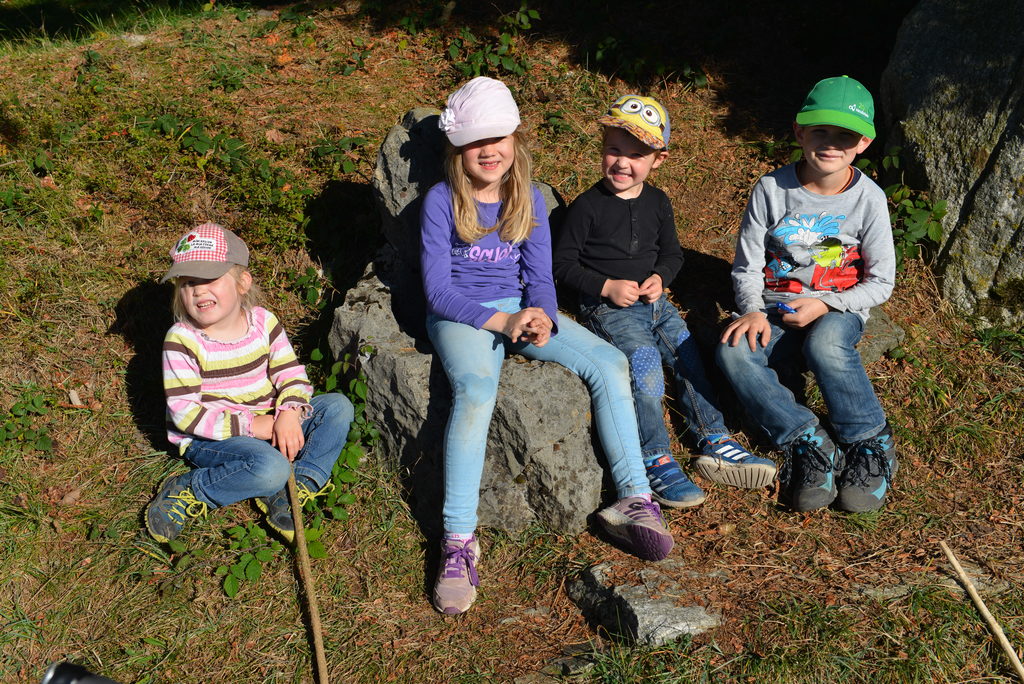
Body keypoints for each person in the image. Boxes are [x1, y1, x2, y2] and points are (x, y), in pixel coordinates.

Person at [422, 77, 673, 615]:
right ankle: (458, 541)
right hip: (462, 315)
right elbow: (438, 291)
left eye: (498, 139)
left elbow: (540, 276)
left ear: (515, 139)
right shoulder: (442, 200)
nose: (488, 151)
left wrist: (539, 314)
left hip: (520, 308)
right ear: (457, 148)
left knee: (609, 363)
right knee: (476, 391)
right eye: (474, 141)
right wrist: (503, 320)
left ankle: (634, 497)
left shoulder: (529, 196)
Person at [553, 94, 777, 509]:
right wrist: (605, 287)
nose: (622, 163)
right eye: (614, 150)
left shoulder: (657, 202)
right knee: (646, 368)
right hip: (612, 310)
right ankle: (654, 456)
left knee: (689, 357)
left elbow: (672, 254)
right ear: (602, 148)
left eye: (636, 155)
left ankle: (713, 438)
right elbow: (562, 264)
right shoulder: (587, 207)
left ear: (659, 159)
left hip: (657, 305)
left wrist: (661, 278)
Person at [716, 76, 897, 513]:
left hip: (838, 306)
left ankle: (869, 439)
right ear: (799, 132)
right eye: (820, 131)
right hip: (774, 306)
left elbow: (881, 282)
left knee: (826, 344)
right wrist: (752, 310)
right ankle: (807, 439)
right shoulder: (771, 189)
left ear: (864, 143)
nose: (831, 144)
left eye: (845, 136)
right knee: (733, 351)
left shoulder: (869, 199)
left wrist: (825, 304)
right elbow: (747, 265)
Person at [145, 223, 353, 544]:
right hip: (213, 437)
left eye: (209, 279)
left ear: (242, 282)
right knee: (270, 468)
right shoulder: (183, 340)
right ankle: (190, 488)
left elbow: (290, 373)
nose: (197, 291)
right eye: (187, 283)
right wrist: (253, 426)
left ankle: (296, 486)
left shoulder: (263, 322)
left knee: (337, 407)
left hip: (270, 420)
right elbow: (185, 414)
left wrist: (288, 412)